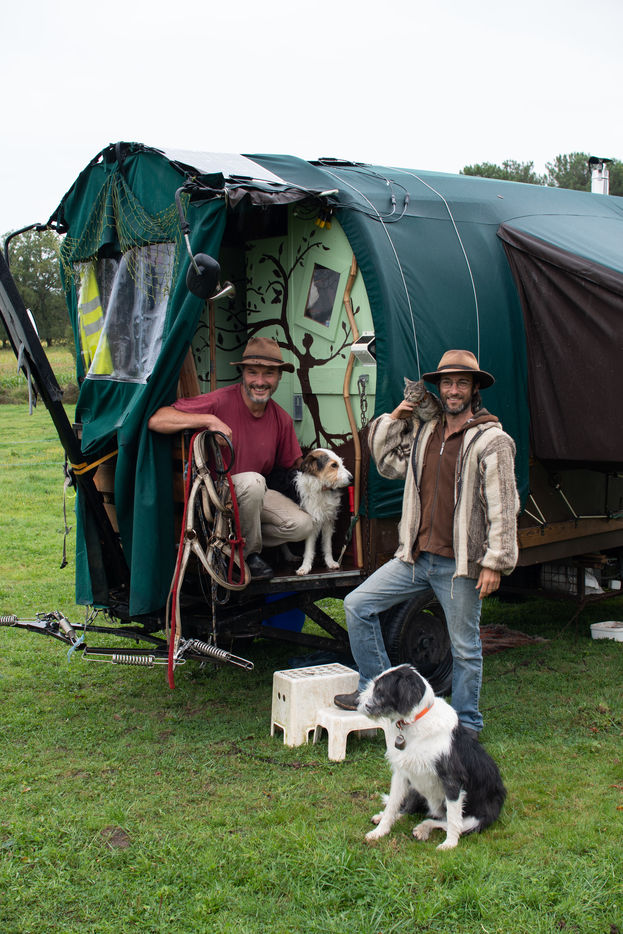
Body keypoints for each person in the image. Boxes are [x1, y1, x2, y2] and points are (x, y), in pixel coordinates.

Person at [334, 349, 519, 737]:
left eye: (462, 383)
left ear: (474, 389)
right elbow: (387, 463)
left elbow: (504, 504)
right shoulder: (426, 433)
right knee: (357, 605)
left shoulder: (492, 440)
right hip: (415, 558)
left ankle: (467, 725)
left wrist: (495, 561)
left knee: (465, 648)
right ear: (439, 388)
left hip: (459, 565)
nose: (453, 390)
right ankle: (376, 690)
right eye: (447, 382)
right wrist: (398, 414)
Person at [148, 336, 314, 579]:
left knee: (303, 525)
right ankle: (246, 556)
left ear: (279, 377)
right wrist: (208, 419)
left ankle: (231, 542)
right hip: (216, 494)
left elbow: (294, 466)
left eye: (269, 373)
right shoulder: (220, 400)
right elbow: (157, 419)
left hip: (255, 494)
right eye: (252, 372)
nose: (260, 381)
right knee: (254, 481)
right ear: (243, 374)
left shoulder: (282, 419)